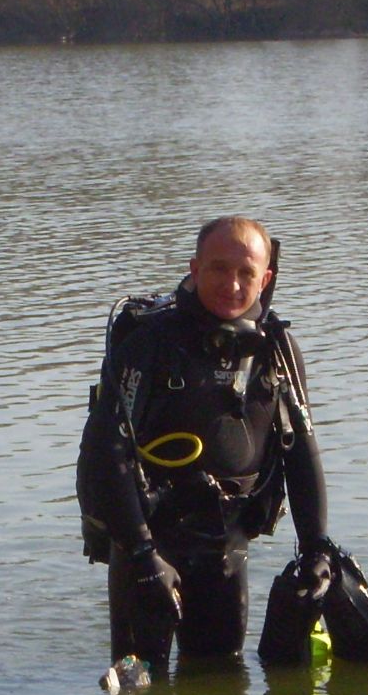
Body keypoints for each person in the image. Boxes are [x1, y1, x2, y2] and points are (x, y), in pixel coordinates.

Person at [78, 216, 337, 669]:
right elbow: (107, 455)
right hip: (149, 546)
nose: (232, 284)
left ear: (266, 278)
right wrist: (142, 555)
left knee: (223, 686)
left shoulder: (277, 350)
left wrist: (316, 549)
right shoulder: (147, 344)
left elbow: (302, 452)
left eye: (246, 273)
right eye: (219, 269)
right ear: (195, 270)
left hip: (226, 546)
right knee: (140, 693)